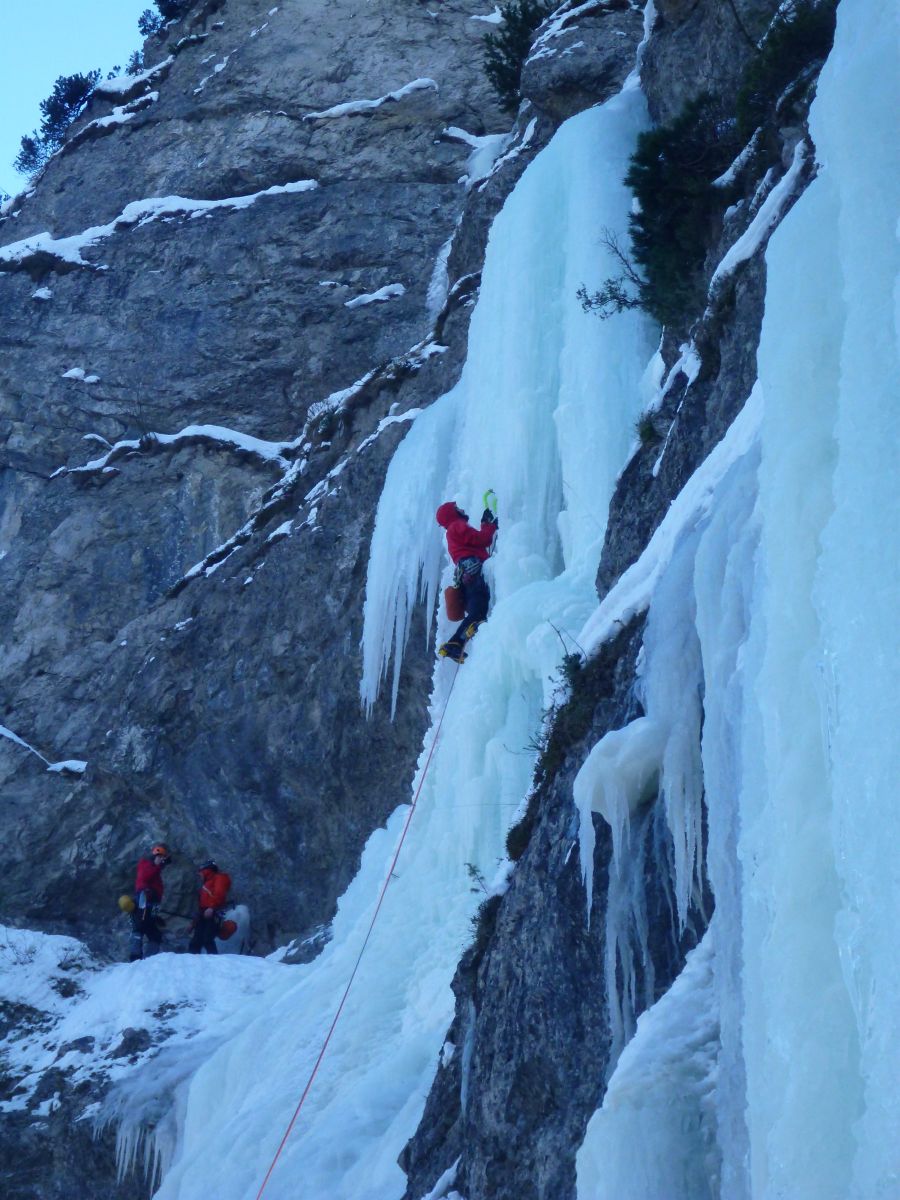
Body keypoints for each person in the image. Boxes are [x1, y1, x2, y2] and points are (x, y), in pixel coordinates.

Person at [435, 499, 499, 662]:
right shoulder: (457, 525)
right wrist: (489, 525)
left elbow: (474, 542)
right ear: (452, 513)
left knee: (477, 612)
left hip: (467, 578)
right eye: (458, 508)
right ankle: (455, 643)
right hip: (475, 574)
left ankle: (456, 643)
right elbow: (482, 540)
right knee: (478, 613)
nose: (462, 509)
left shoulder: (451, 532)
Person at [129, 842, 170, 962]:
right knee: (143, 930)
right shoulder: (146, 864)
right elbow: (144, 877)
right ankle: (140, 959)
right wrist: (157, 865)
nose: (162, 861)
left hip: (149, 906)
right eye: (161, 857)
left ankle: (143, 959)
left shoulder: (154, 869)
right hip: (144, 904)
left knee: (148, 932)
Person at [188, 860, 232, 955]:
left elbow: (219, 894)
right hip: (205, 913)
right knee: (196, 941)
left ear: (206, 870)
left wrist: (212, 907)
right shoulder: (208, 882)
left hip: (214, 912)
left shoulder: (219, 878)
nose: (200, 875)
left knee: (207, 939)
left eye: (201, 872)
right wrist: (194, 922)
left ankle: (214, 962)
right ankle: (192, 964)